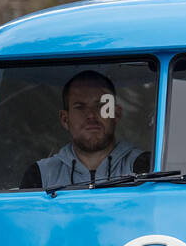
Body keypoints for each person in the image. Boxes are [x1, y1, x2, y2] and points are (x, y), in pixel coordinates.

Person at [20, 70, 148, 189]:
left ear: (116, 114)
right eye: (80, 107)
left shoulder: (146, 167)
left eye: (101, 105)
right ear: (65, 119)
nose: (91, 115)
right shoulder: (40, 176)